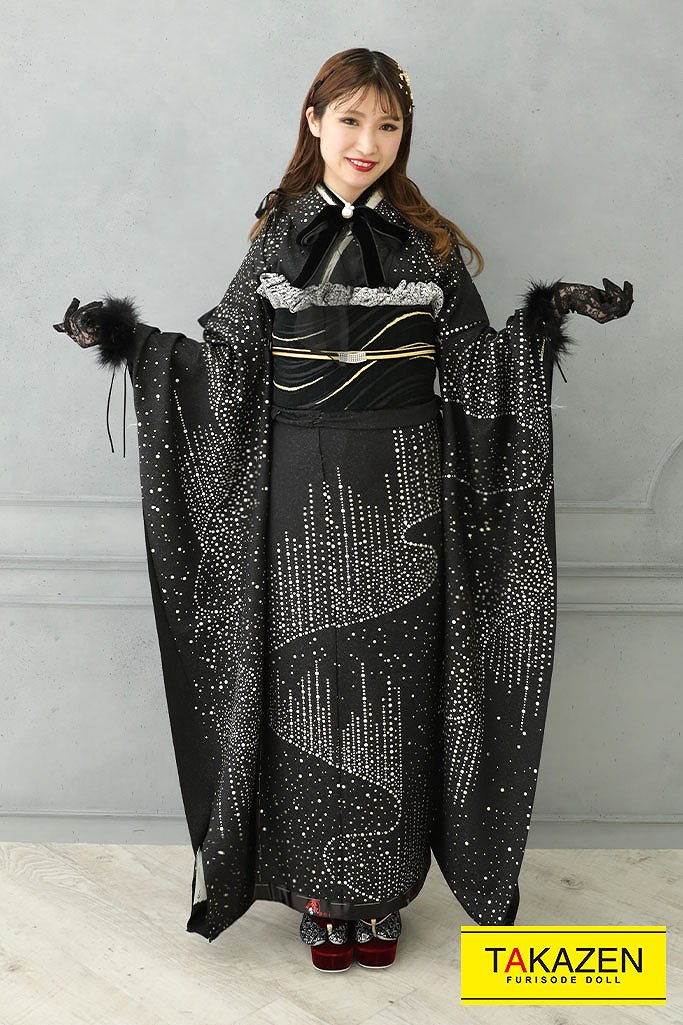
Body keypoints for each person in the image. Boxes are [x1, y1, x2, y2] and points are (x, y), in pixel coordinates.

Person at [53, 48, 633, 973]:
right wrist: (123, 338)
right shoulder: (276, 238)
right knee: (311, 682)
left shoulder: (427, 247)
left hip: (407, 487)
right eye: (352, 120)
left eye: (388, 125)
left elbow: (475, 368)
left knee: (395, 688)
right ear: (314, 120)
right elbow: (223, 366)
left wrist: (548, 312)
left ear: (403, 134)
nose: (368, 141)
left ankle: (385, 890)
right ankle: (322, 895)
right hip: (299, 494)